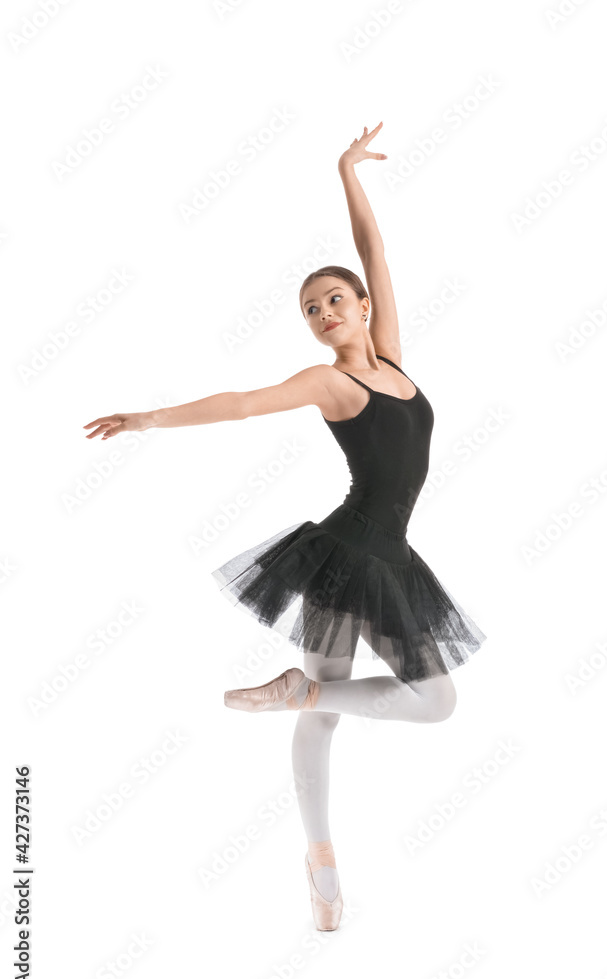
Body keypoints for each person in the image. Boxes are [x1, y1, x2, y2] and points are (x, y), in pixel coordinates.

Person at [83, 122, 486, 932]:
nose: (324, 312)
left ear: (364, 307)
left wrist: (347, 172)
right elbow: (240, 403)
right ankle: (323, 865)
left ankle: (300, 695)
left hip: (393, 557)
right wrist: (144, 419)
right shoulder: (329, 381)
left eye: (335, 300)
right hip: (345, 550)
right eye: (311, 310)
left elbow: (374, 247)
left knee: (425, 703)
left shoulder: (396, 359)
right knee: (328, 716)